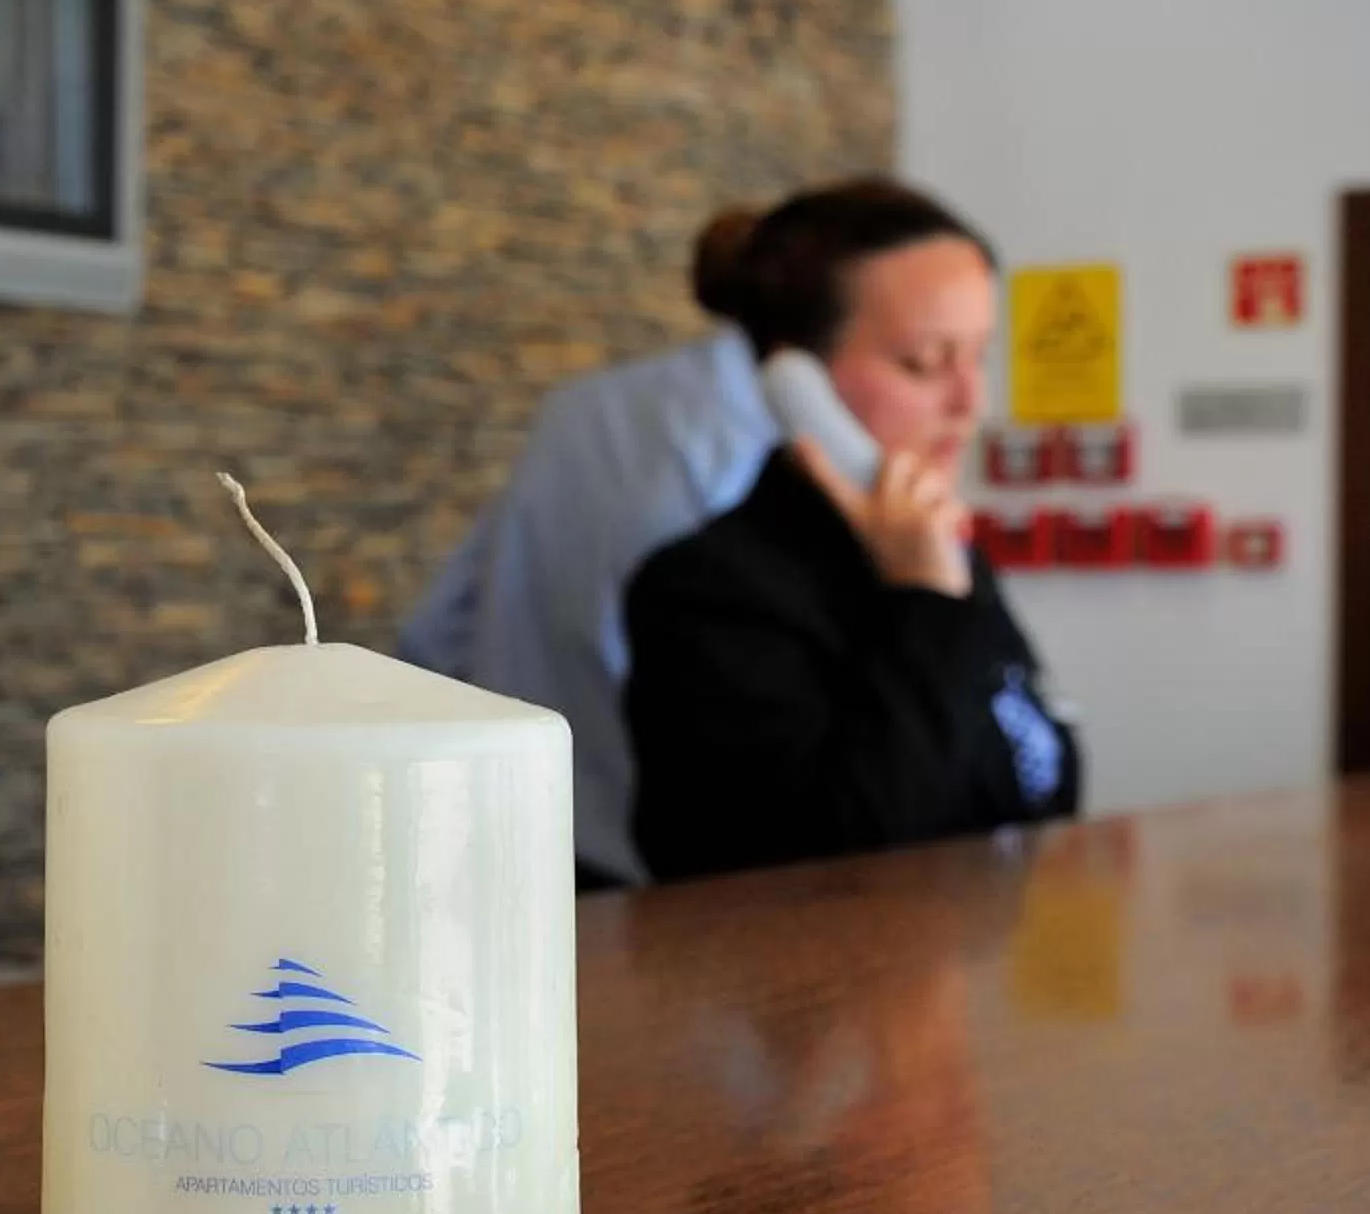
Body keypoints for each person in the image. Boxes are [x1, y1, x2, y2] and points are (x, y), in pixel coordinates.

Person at [624, 179, 1079, 881]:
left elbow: (1042, 783)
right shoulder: (704, 592)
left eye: (978, 355)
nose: (971, 402)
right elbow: (852, 858)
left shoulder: (945, 551)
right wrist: (925, 601)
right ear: (794, 383)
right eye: (924, 362)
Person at [399, 210, 782, 890]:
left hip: (525, 823)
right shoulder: (753, 443)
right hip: (670, 856)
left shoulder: (579, 408)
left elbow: (437, 629)